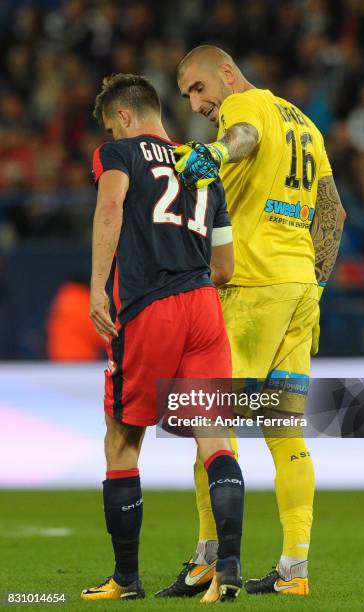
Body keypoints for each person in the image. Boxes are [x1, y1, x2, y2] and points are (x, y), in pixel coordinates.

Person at [155, 45, 346, 598]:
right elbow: (333, 211)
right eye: (187, 94)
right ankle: (294, 569)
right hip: (298, 289)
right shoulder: (305, 123)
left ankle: (210, 560)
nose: (195, 103)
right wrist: (313, 284)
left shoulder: (247, 108)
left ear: (228, 73)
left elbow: (244, 140)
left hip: (250, 289)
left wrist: (215, 152)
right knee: (284, 433)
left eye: (198, 88)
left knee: (206, 419)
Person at [81, 73, 244, 603]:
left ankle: (126, 580)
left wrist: (98, 290)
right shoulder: (203, 166)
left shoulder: (119, 154)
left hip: (150, 308)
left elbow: (110, 208)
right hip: (203, 307)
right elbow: (225, 265)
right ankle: (230, 570)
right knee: (215, 441)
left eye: (110, 124)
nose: (110, 132)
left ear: (124, 118)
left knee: (123, 441)